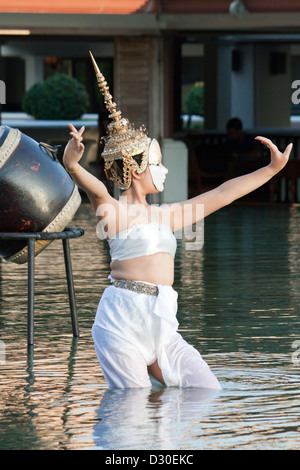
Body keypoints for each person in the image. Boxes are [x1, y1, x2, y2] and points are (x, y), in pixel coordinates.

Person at [62, 52, 292, 389]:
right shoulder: (115, 214)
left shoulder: (166, 215)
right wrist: (73, 166)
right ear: (137, 169)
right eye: (158, 164)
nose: (164, 170)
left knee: (206, 391)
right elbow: (97, 191)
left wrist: (271, 170)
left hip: (161, 322)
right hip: (121, 321)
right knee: (133, 407)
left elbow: (222, 194)